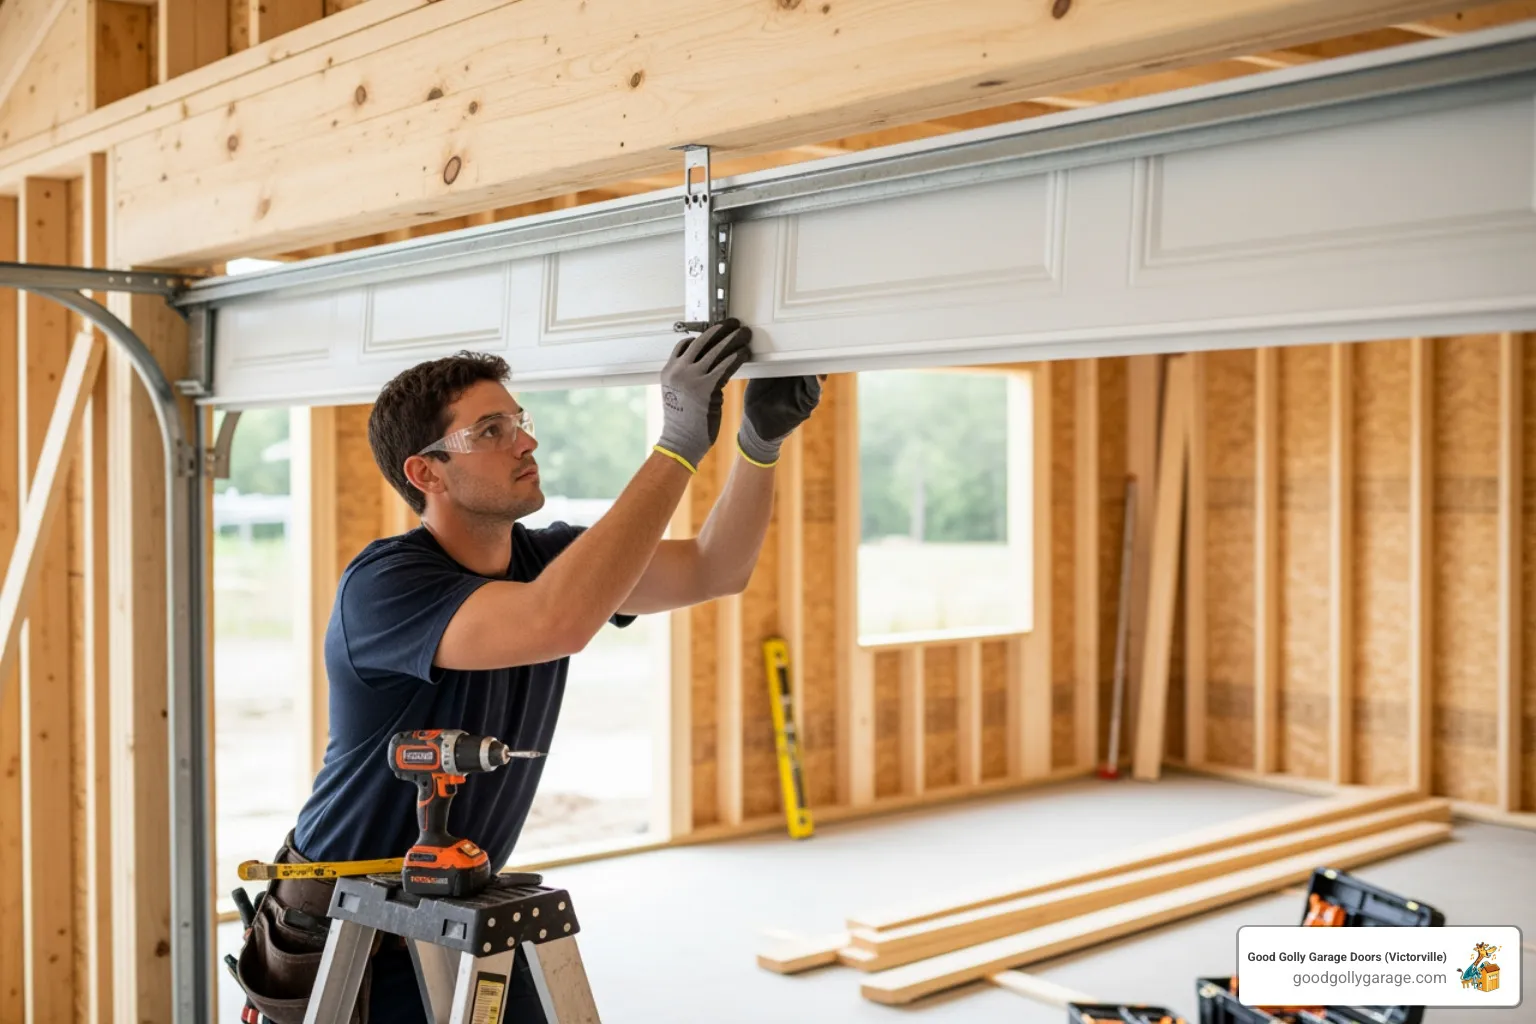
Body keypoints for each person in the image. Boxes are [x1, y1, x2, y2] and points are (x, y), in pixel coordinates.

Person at [238, 319, 823, 1024]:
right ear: (426, 473)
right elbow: (556, 623)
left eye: (518, 421)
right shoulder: (385, 584)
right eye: (490, 430)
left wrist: (758, 448)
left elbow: (713, 568)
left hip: (459, 904)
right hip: (346, 928)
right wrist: (676, 446)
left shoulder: (548, 560)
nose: (526, 440)